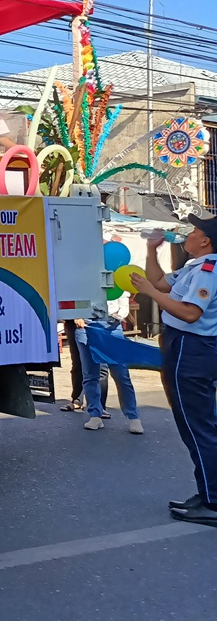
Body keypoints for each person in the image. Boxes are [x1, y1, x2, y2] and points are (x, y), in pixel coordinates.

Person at [131, 215, 217, 527]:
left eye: (194, 231)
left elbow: (191, 313)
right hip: (186, 347)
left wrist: (151, 294)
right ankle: (207, 492)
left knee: (199, 427)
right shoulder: (194, 267)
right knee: (196, 425)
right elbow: (159, 281)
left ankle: (213, 500)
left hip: (192, 349)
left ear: (205, 240)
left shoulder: (208, 269)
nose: (188, 235)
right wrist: (152, 251)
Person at [73, 314, 141, 433]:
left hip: (112, 327)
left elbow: (123, 307)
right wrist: (76, 315)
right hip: (85, 327)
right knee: (90, 374)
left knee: (121, 375)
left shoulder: (117, 294)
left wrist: (107, 312)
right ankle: (95, 415)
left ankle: (133, 417)